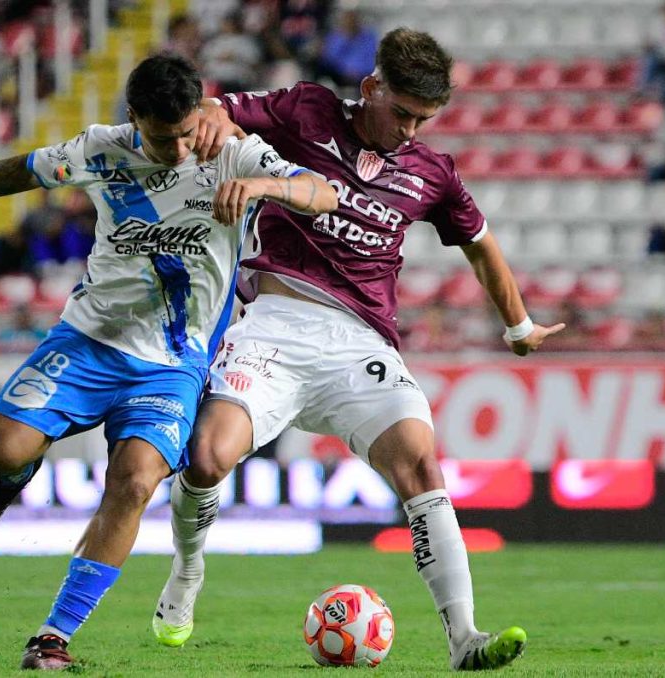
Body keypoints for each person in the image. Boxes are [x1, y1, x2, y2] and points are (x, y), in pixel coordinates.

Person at [0, 53, 336, 670]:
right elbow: (26, 170)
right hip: (86, 341)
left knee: (136, 481)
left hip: (172, 363)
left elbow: (323, 194)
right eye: (160, 136)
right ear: (133, 118)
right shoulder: (102, 150)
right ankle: (8, 479)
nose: (177, 150)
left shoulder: (234, 153)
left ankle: (54, 635)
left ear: (199, 111)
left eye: (184, 134)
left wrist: (264, 186)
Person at [149, 28, 564, 671]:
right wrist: (208, 120)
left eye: (424, 120)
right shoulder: (307, 111)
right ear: (371, 88)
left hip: (360, 344)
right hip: (275, 324)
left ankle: (464, 639)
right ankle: (186, 572)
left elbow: (481, 245)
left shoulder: (432, 173)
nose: (409, 131)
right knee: (205, 460)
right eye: (401, 112)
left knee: (421, 468)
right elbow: (220, 108)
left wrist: (519, 327)